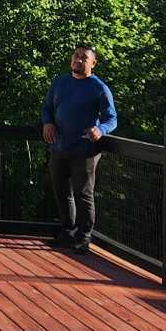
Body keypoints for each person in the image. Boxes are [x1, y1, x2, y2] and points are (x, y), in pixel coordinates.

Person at [40, 44, 117, 249]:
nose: (78, 60)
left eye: (84, 57)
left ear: (93, 63)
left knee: (83, 194)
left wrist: (100, 130)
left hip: (84, 150)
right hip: (59, 147)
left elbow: (112, 118)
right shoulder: (60, 82)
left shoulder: (99, 87)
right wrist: (47, 122)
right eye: (76, 56)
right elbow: (47, 107)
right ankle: (67, 232)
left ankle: (84, 237)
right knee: (61, 191)